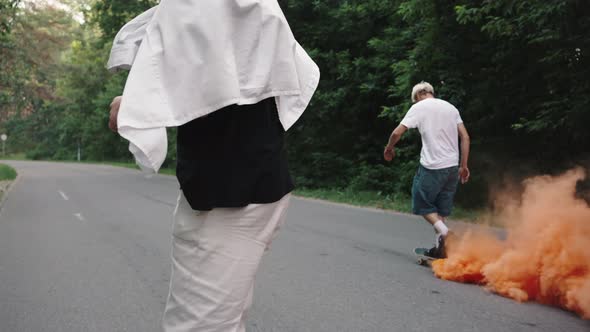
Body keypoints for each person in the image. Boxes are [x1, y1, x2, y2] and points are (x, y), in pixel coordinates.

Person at [107, 1, 319, 331]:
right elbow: (225, 67)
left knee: (198, 326)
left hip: (228, 200)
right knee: (225, 320)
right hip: (255, 182)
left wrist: (135, 106)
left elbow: (203, 79)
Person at [383, 82, 470, 258]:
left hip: (433, 166)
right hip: (452, 167)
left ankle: (446, 234)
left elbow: (397, 133)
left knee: (421, 202)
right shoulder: (451, 108)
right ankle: (440, 248)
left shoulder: (420, 107)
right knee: (439, 209)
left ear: (418, 96)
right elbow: (465, 137)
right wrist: (463, 165)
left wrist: (389, 147)